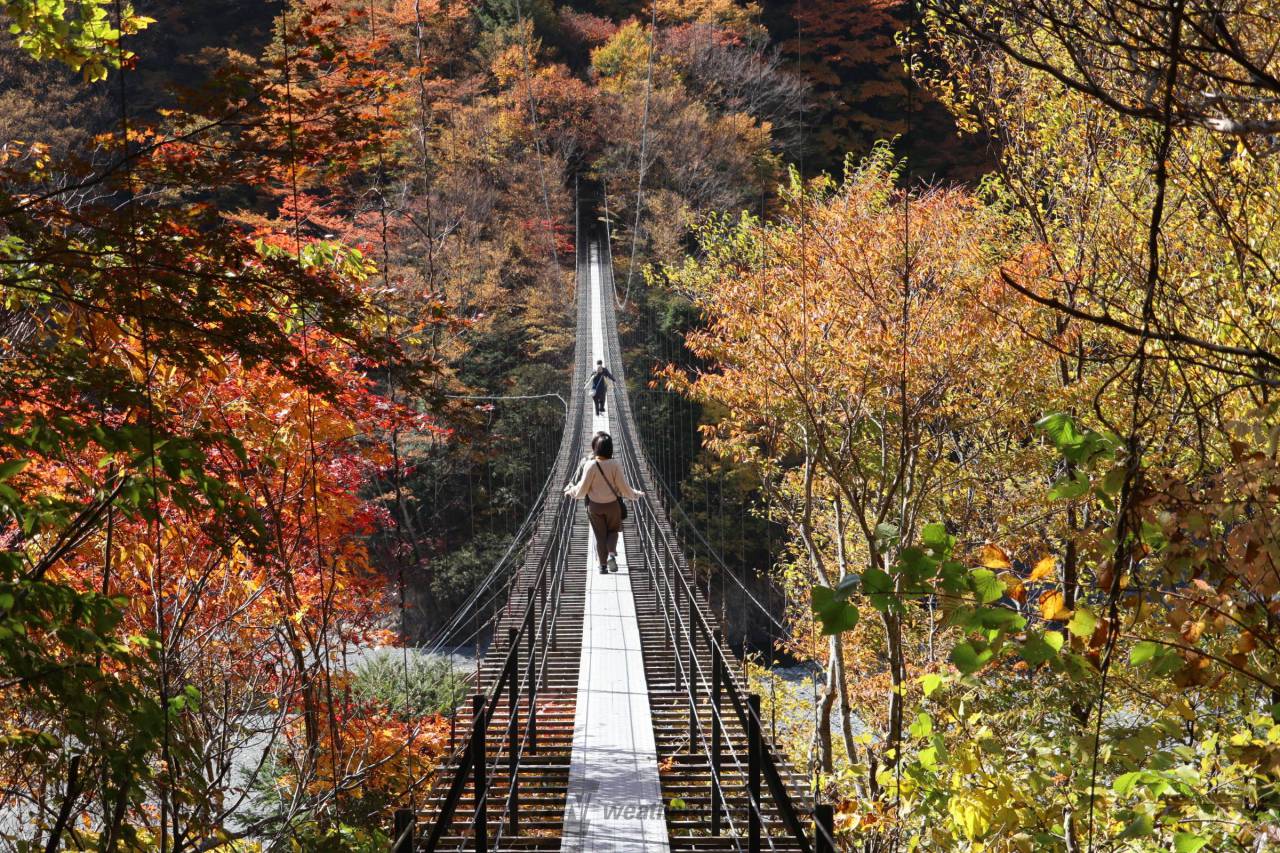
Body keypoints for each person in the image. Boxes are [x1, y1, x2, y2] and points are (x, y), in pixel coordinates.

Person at [563, 431, 644, 573]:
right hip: (612, 506)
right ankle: (611, 554)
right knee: (613, 531)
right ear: (610, 448)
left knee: (600, 536)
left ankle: (602, 566)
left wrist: (571, 492)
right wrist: (636, 494)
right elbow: (623, 487)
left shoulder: (590, 465)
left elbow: (582, 488)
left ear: (596, 448)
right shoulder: (615, 464)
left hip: (595, 507)